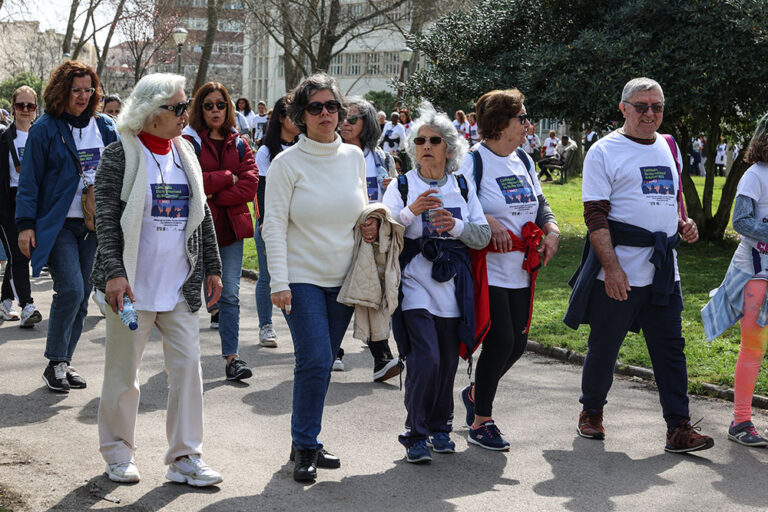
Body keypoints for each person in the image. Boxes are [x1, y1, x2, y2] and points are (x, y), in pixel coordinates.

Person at [563, 77, 713, 453]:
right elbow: (595, 216)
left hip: (663, 270)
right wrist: (612, 269)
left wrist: (683, 223)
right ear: (623, 108)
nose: (650, 113)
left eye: (656, 107)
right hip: (620, 270)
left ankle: (678, 427)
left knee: (671, 348)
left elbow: (670, 199)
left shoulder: (669, 146)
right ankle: (591, 412)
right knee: (605, 344)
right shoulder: (604, 151)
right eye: (641, 106)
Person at [92, 72, 223, 486]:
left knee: (187, 371)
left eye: (186, 105)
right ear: (151, 114)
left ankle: (185, 457)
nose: (186, 114)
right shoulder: (120, 155)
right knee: (123, 375)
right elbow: (106, 221)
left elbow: (201, 215)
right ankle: (118, 453)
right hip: (131, 289)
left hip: (179, 286)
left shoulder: (185, 151)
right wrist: (115, 274)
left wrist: (213, 267)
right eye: (179, 107)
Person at [262, 72, 368, 482]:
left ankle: (306, 437)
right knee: (316, 359)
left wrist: (372, 222)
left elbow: (359, 211)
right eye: (315, 107)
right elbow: (273, 225)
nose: (326, 114)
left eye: (332, 106)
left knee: (323, 364)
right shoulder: (286, 163)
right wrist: (279, 282)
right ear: (299, 115)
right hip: (301, 278)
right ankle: (305, 445)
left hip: (344, 280)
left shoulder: (354, 158)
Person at [383, 102, 491, 464]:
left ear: (449, 148)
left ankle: (440, 428)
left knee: (446, 362)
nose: (426, 146)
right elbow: (383, 231)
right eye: (419, 141)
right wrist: (410, 212)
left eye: (434, 140)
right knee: (425, 358)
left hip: (453, 286)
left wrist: (455, 226)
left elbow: (482, 235)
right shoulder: (402, 185)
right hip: (414, 283)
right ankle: (415, 433)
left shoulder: (462, 184)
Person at [457, 89, 560, 451]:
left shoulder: (524, 160)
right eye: (522, 118)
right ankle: (481, 421)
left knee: (517, 343)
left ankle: (475, 393)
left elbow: (540, 201)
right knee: (500, 340)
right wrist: (489, 220)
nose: (528, 124)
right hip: (488, 268)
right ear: (501, 123)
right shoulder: (473, 161)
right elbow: (459, 203)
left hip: (521, 267)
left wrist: (552, 229)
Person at [16, 60, 119, 393]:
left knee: (83, 295)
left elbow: (123, 169)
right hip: (58, 224)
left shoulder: (105, 127)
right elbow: (29, 181)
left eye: (88, 90)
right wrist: (25, 225)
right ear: (62, 91)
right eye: (76, 90)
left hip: (94, 224)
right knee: (71, 289)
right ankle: (55, 362)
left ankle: (63, 361)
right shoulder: (45, 128)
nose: (83, 96)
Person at [183, 82, 258, 381]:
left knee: (229, 295)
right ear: (199, 110)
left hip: (230, 232)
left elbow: (250, 185)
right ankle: (185, 359)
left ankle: (232, 358)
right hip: (196, 231)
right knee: (189, 296)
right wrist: (228, 176)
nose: (215, 110)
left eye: (221, 104)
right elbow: (191, 184)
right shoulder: (188, 142)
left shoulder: (240, 143)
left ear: (229, 108)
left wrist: (215, 193)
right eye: (208, 105)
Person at [702, 113, 768, 447]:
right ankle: (741, 422)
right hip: (755, 275)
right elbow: (740, 221)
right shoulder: (755, 175)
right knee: (754, 347)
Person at [339, 95, 402, 382]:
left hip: (375, 239)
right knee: (342, 293)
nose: (345, 123)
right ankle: (336, 350)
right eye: (343, 117)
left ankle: (381, 358)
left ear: (367, 124)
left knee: (372, 294)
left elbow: (395, 199)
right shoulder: (334, 154)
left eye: (352, 118)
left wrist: (393, 187)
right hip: (342, 236)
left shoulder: (382, 158)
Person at [253, 96, 300, 348]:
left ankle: (300, 331)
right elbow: (260, 190)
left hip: (299, 225)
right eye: (294, 114)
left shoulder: (304, 147)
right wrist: (263, 221)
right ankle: (266, 326)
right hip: (270, 224)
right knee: (267, 275)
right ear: (281, 118)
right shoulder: (266, 152)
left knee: (298, 277)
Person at [0, 86, 42, 327]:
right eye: (20, 105)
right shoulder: (4, 138)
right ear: (13, 108)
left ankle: (5, 302)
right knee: (18, 254)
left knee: (21, 254)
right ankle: (27, 305)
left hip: (33, 203)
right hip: (7, 204)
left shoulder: (40, 136)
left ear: (36, 108)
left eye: (30, 105)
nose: (25, 110)